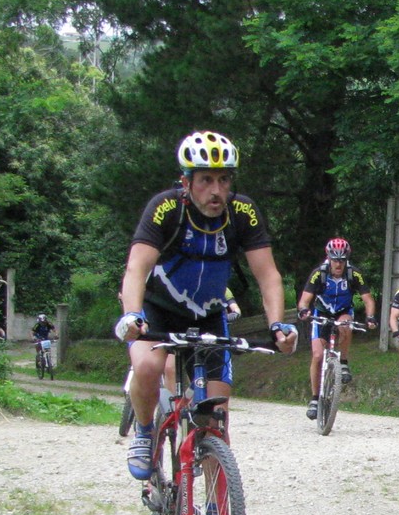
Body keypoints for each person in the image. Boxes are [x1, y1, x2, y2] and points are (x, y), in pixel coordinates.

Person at [114, 130, 298, 478]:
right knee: (149, 368)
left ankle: (216, 508)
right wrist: (132, 316)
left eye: (224, 180)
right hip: (158, 311)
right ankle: (144, 431)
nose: (216, 190)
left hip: (209, 315)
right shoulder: (166, 208)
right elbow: (136, 268)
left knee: (216, 420)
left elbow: (268, 275)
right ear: (186, 182)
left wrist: (277, 325)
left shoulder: (242, 212)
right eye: (206, 180)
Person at [295, 237, 376, 419]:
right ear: (329, 258)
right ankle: (314, 399)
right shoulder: (319, 274)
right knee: (317, 356)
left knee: (346, 324)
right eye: (335, 260)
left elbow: (368, 299)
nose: (338, 264)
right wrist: (304, 310)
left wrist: (370, 317)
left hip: (343, 311)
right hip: (322, 312)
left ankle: (344, 363)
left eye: (342, 260)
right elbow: (304, 300)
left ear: (346, 259)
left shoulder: (354, 274)